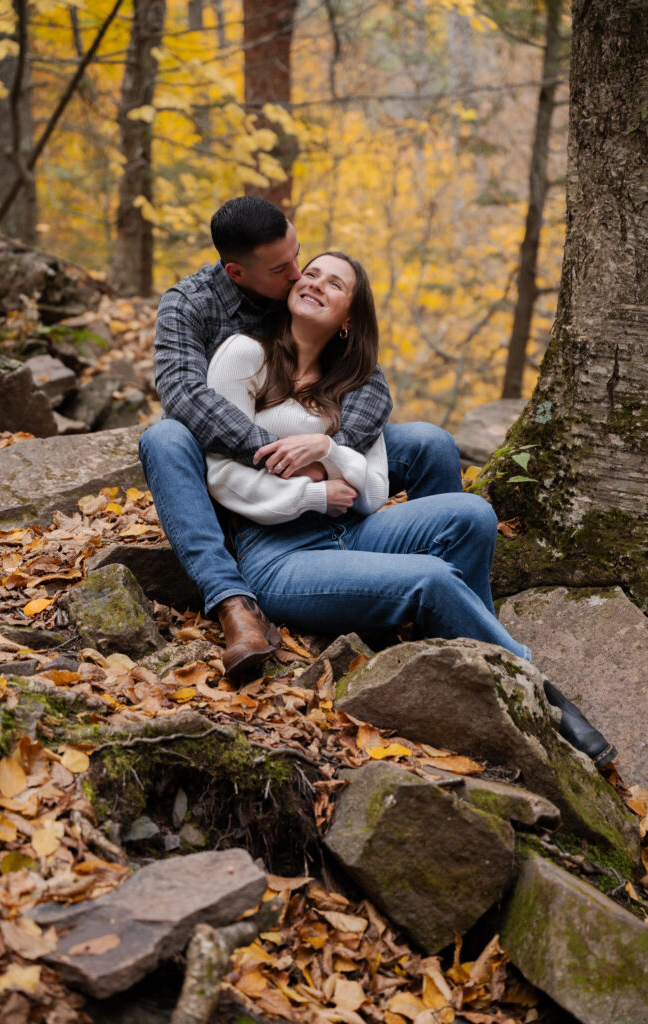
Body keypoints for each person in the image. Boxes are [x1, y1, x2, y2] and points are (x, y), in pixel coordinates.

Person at [205, 250, 617, 769]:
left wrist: (327, 450)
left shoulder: (354, 386)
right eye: (310, 273)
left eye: (335, 284)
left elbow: (374, 490)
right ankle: (538, 691)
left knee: (472, 514)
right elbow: (219, 473)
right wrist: (310, 494)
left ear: (349, 317)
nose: (315, 283)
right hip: (280, 556)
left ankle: (458, 650)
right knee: (432, 578)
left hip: (351, 531)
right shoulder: (245, 355)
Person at [139, 196, 463, 677]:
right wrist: (276, 458)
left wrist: (331, 450)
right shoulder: (189, 306)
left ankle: (423, 578)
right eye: (282, 268)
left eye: (298, 256)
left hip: (315, 449)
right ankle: (235, 606)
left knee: (429, 442)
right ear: (236, 272)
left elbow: (366, 378)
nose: (298, 275)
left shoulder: (304, 296)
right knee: (163, 437)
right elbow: (185, 397)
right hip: (225, 470)